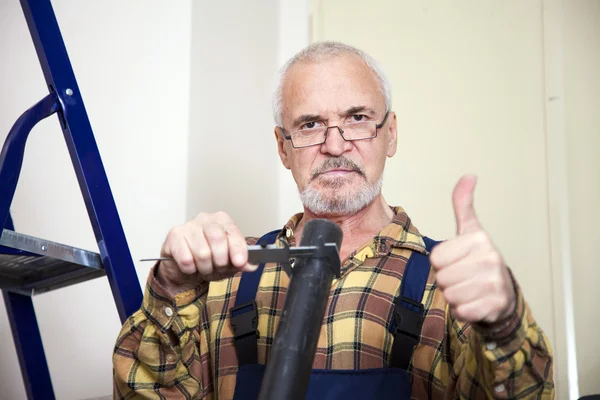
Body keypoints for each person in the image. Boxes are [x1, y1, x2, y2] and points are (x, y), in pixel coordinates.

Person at [113, 41, 554, 399]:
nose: (335, 145)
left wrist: (505, 322)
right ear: (283, 147)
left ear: (391, 133)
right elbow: (140, 392)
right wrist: (171, 287)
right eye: (309, 125)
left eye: (357, 118)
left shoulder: (450, 284)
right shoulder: (224, 275)